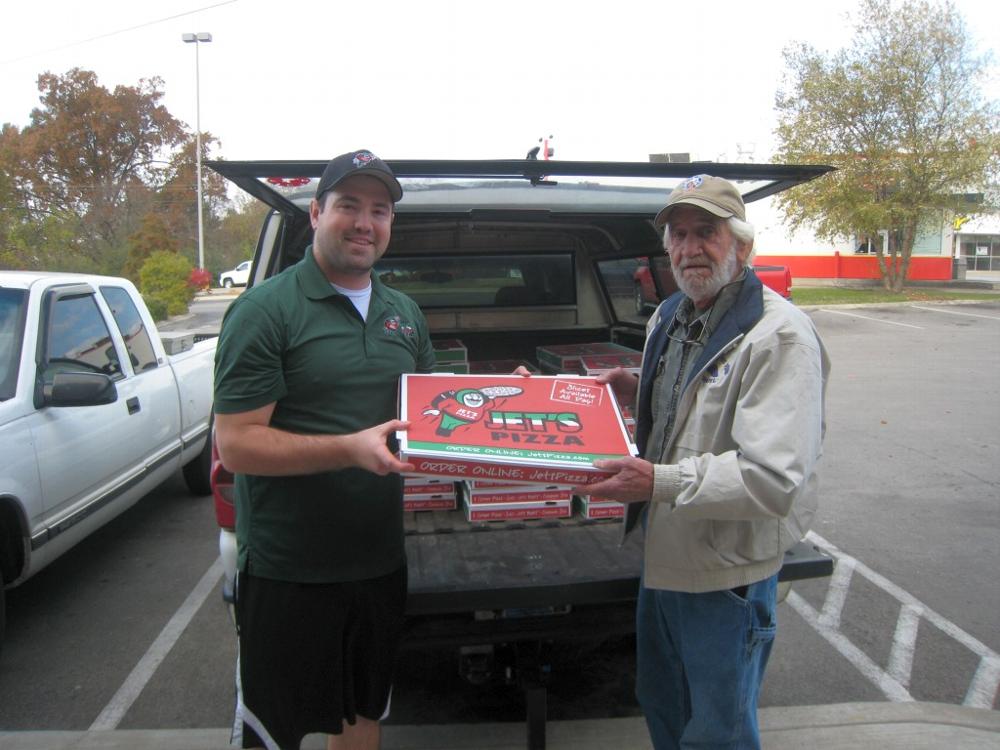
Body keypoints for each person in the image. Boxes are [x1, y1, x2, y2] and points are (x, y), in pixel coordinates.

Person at [575, 174, 830, 750]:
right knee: (664, 706)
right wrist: (634, 384)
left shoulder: (780, 337)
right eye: (678, 235)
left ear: (741, 244)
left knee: (719, 730)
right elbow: (701, 394)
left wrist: (658, 481)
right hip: (665, 561)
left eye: (706, 233)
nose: (690, 248)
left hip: (725, 574)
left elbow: (772, 477)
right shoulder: (673, 313)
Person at [213, 149, 435, 750]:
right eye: (348, 205)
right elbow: (235, 446)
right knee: (274, 728)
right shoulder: (264, 311)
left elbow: (434, 417)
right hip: (290, 570)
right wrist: (348, 449)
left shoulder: (404, 314)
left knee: (361, 716)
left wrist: (508, 403)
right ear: (316, 212)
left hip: (378, 562)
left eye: (380, 210)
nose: (365, 222)